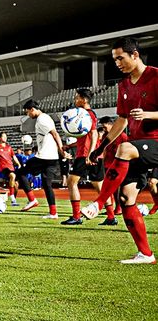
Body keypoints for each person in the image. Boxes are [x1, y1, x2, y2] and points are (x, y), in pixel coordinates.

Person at [81, 37, 157, 264]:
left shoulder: (155, 76)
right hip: (137, 148)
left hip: (154, 142)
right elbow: (121, 120)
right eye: (114, 60)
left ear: (135, 55)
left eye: (120, 58)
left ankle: (98, 202)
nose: (117, 63)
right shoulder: (123, 86)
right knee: (126, 198)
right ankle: (146, 254)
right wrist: (100, 148)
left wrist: (149, 115)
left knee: (124, 148)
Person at [17, 100, 71, 218]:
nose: (28, 115)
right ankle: (53, 213)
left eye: (28, 112)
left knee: (20, 173)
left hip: (43, 157)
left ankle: (32, 200)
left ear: (32, 109)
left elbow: (55, 134)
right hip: (52, 157)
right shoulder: (45, 118)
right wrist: (60, 152)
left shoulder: (42, 119)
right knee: (47, 184)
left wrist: (62, 151)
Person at [61, 89, 106, 225]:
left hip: (86, 154)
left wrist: (90, 154)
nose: (75, 100)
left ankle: (76, 216)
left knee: (71, 182)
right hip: (95, 153)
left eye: (77, 98)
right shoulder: (88, 114)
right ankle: (111, 217)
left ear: (84, 100)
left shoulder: (86, 114)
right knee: (99, 187)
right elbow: (86, 136)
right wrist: (70, 146)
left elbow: (94, 135)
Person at [96, 115, 125, 225]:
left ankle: (118, 208)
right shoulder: (105, 137)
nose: (103, 129)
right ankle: (113, 208)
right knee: (110, 187)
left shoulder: (121, 135)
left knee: (117, 188)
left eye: (104, 127)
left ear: (111, 125)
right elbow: (104, 150)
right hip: (108, 164)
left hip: (118, 164)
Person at [0, 132, 21, 205]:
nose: (5, 138)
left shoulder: (9, 147)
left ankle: (13, 200)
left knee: (16, 185)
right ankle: (12, 198)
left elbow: (13, 157)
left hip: (11, 167)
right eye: (4, 136)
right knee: (12, 176)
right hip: (3, 167)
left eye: (6, 136)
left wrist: (18, 163)